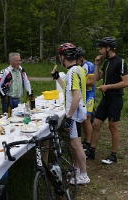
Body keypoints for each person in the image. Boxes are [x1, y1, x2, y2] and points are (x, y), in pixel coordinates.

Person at [86, 37, 128, 165]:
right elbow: (97, 78)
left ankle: (113, 155)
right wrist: (97, 64)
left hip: (115, 99)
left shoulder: (120, 62)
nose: (100, 51)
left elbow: (126, 82)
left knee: (112, 127)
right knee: (95, 125)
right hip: (105, 99)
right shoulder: (106, 62)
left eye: (101, 48)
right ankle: (91, 151)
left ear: (108, 48)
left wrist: (108, 87)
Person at [51, 43, 90, 184]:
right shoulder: (77, 69)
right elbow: (67, 89)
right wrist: (57, 77)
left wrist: (69, 117)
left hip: (75, 114)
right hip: (78, 112)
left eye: (60, 57)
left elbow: (77, 96)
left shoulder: (73, 72)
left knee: (76, 144)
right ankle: (78, 170)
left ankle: (84, 175)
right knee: (76, 143)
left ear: (63, 57)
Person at [75, 47, 96, 151]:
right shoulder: (79, 66)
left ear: (82, 58)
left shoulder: (89, 66)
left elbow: (92, 81)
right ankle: (87, 139)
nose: (76, 62)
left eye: (77, 59)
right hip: (82, 94)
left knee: (87, 118)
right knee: (83, 118)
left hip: (89, 95)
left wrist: (78, 83)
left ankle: (89, 142)